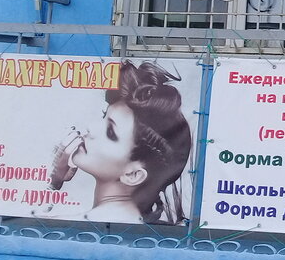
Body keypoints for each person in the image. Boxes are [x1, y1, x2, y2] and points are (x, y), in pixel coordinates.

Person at [49, 60, 192, 224]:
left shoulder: (66, 225)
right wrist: (56, 181)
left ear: (133, 175)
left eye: (111, 132)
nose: (91, 128)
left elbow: (29, 218)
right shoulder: (134, 224)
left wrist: (52, 183)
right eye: (104, 116)